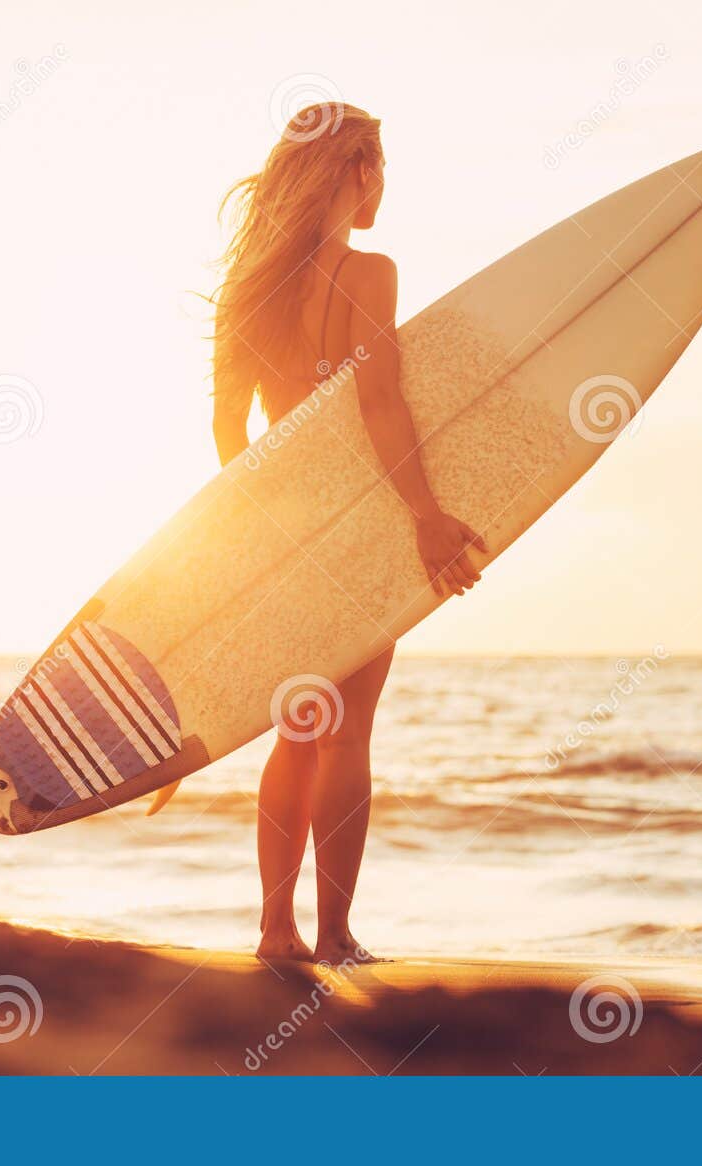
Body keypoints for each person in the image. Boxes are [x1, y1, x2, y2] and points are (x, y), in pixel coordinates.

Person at [206, 103, 485, 963]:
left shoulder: (246, 288)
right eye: (381, 166)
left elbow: (228, 434)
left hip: (280, 530)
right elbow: (380, 404)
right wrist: (428, 519)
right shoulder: (370, 274)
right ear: (356, 170)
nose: (385, 185)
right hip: (361, 525)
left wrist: (262, 528)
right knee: (347, 731)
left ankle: (273, 930)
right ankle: (334, 934)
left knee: (297, 725)